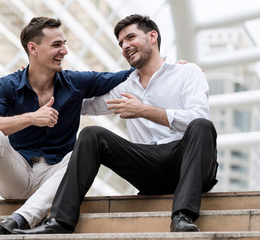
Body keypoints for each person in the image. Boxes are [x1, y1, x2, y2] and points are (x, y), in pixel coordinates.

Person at [12, 14, 219, 235]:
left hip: (188, 162)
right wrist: (38, 80)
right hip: (148, 167)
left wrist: (143, 110)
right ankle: (60, 222)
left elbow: (198, 118)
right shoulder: (125, 87)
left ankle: (182, 217)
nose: (125, 46)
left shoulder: (187, 72)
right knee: (92, 134)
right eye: (121, 43)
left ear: (152, 36)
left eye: (130, 37)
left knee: (202, 126)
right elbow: (80, 105)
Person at [0, 17, 134, 237]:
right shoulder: (8, 85)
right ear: (33, 48)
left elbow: (127, 76)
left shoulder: (75, 83)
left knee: (84, 149)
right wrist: (32, 118)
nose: (65, 51)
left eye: (64, 43)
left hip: (55, 178)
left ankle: (20, 219)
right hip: (17, 176)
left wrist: (169, 66)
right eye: (57, 45)